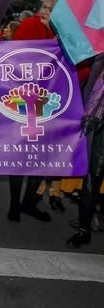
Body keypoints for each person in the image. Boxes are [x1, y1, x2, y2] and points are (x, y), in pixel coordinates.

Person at [7, 0, 62, 221]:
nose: (44, 11)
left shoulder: (64, 33)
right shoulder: (30, 25)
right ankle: (14, 205)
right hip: (27, 98)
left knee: (41, 158)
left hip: (53, 101)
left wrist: (59, 31)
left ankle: (29, 202)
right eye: (44, 6)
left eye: (50, 8)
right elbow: (20, 58)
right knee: (20, 156)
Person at [67, 54, 104, 248]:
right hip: (99, 128)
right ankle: (84, 228)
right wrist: (87, 117)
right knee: (91, 180)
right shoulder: (100, 59)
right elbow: (94, 90)